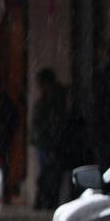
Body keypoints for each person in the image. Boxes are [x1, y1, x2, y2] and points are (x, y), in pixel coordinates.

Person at [31, 68, 69, 211]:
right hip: (46, 142)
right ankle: (46, 202)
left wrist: (50, 141)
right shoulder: (50, 98)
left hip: (49, 143)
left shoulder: (53, 99)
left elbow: (52, 122)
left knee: (49, 174)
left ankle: (46, 202)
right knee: (48, 174)